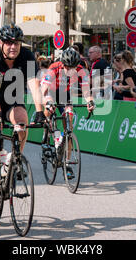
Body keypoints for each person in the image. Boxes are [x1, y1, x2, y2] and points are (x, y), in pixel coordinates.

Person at [0, 24, 45, 215]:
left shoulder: (28, 56)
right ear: (1, 43)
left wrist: (40, 111)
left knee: (22, 118)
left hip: (12, 98)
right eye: (8, 43)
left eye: (16, 43)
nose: (12, 46)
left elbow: (33, 83)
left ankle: (13, 160)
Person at [40, 47, 95, 179]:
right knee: (49, 109)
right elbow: (43, 91)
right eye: (67, 67)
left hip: (64, 93)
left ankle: (67, 162)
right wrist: (47, 102)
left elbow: (87, 91)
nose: (70, 71)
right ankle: (47, 133)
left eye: (73, 68)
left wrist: (90, 102)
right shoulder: (54, 68)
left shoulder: (81, 70)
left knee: (69, 123)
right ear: (63, 64)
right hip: (50, 91)